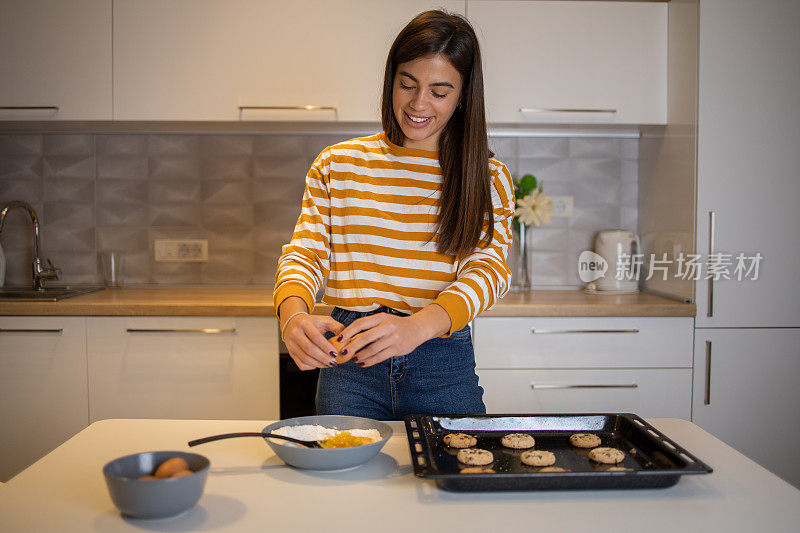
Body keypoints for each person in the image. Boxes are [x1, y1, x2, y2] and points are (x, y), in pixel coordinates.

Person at [273, 10, 514, 420]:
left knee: (455, 476)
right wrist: (292, 314)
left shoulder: (486, 177)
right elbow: (306, 253)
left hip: (441, 360)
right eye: (408, 85)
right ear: (392, 80)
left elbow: (489, 271)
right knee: (347, 480)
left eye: (439, 92)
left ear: (463, 95)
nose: (419, 104)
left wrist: (417, 327)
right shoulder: (339, 164)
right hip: (351, 362)